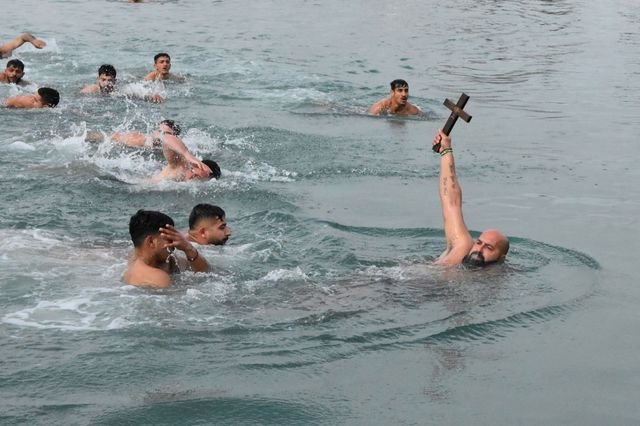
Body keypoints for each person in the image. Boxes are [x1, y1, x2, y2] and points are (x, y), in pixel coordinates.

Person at [432, 129, 509, 267]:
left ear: (501, 258)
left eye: (489, 247)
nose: (479, 250)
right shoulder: (461, 250)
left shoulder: (503, 276)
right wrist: (446, 151)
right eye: (478, 243)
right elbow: (452, 202)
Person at [123, 209, 209, 288]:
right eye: (169, 238)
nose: (174, 244)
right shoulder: (158, 279)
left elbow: (203, 271)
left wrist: (187, 247)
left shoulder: (167, 262)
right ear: (151, 242)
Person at [81, 64, 164, 102]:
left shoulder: (120, 91)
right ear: (98, 80)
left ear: (115, 81)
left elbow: (139, 92)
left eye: (109, 80)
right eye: (103, 80)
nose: (106, 83)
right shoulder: (91, 90)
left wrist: (152, 96)